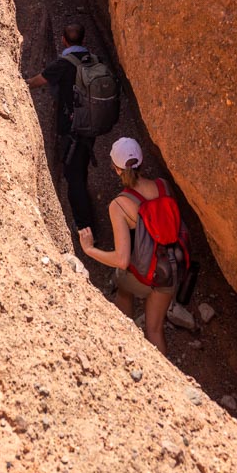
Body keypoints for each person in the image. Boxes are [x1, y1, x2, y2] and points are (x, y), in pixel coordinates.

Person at [78, 137, 177, 354]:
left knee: (123, 284)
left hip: (147, 274)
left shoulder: (119, 205)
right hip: (171, 269)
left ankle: (123, 346)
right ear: (142, 162)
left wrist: (89, 249)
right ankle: (169, 382)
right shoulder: (163, 185)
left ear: (115, 169)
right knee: (154, 330)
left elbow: (122, 260)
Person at [26, 23, 95, 231]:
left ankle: (85, 226)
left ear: (64, 40)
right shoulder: (92, 60)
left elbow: (38, 81)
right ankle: (87, 210)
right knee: (80, 169)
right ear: (84, 41)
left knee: (73, 177)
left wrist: (18, 81)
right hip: (91, 124)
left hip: (72, 128)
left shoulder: (63, 64)